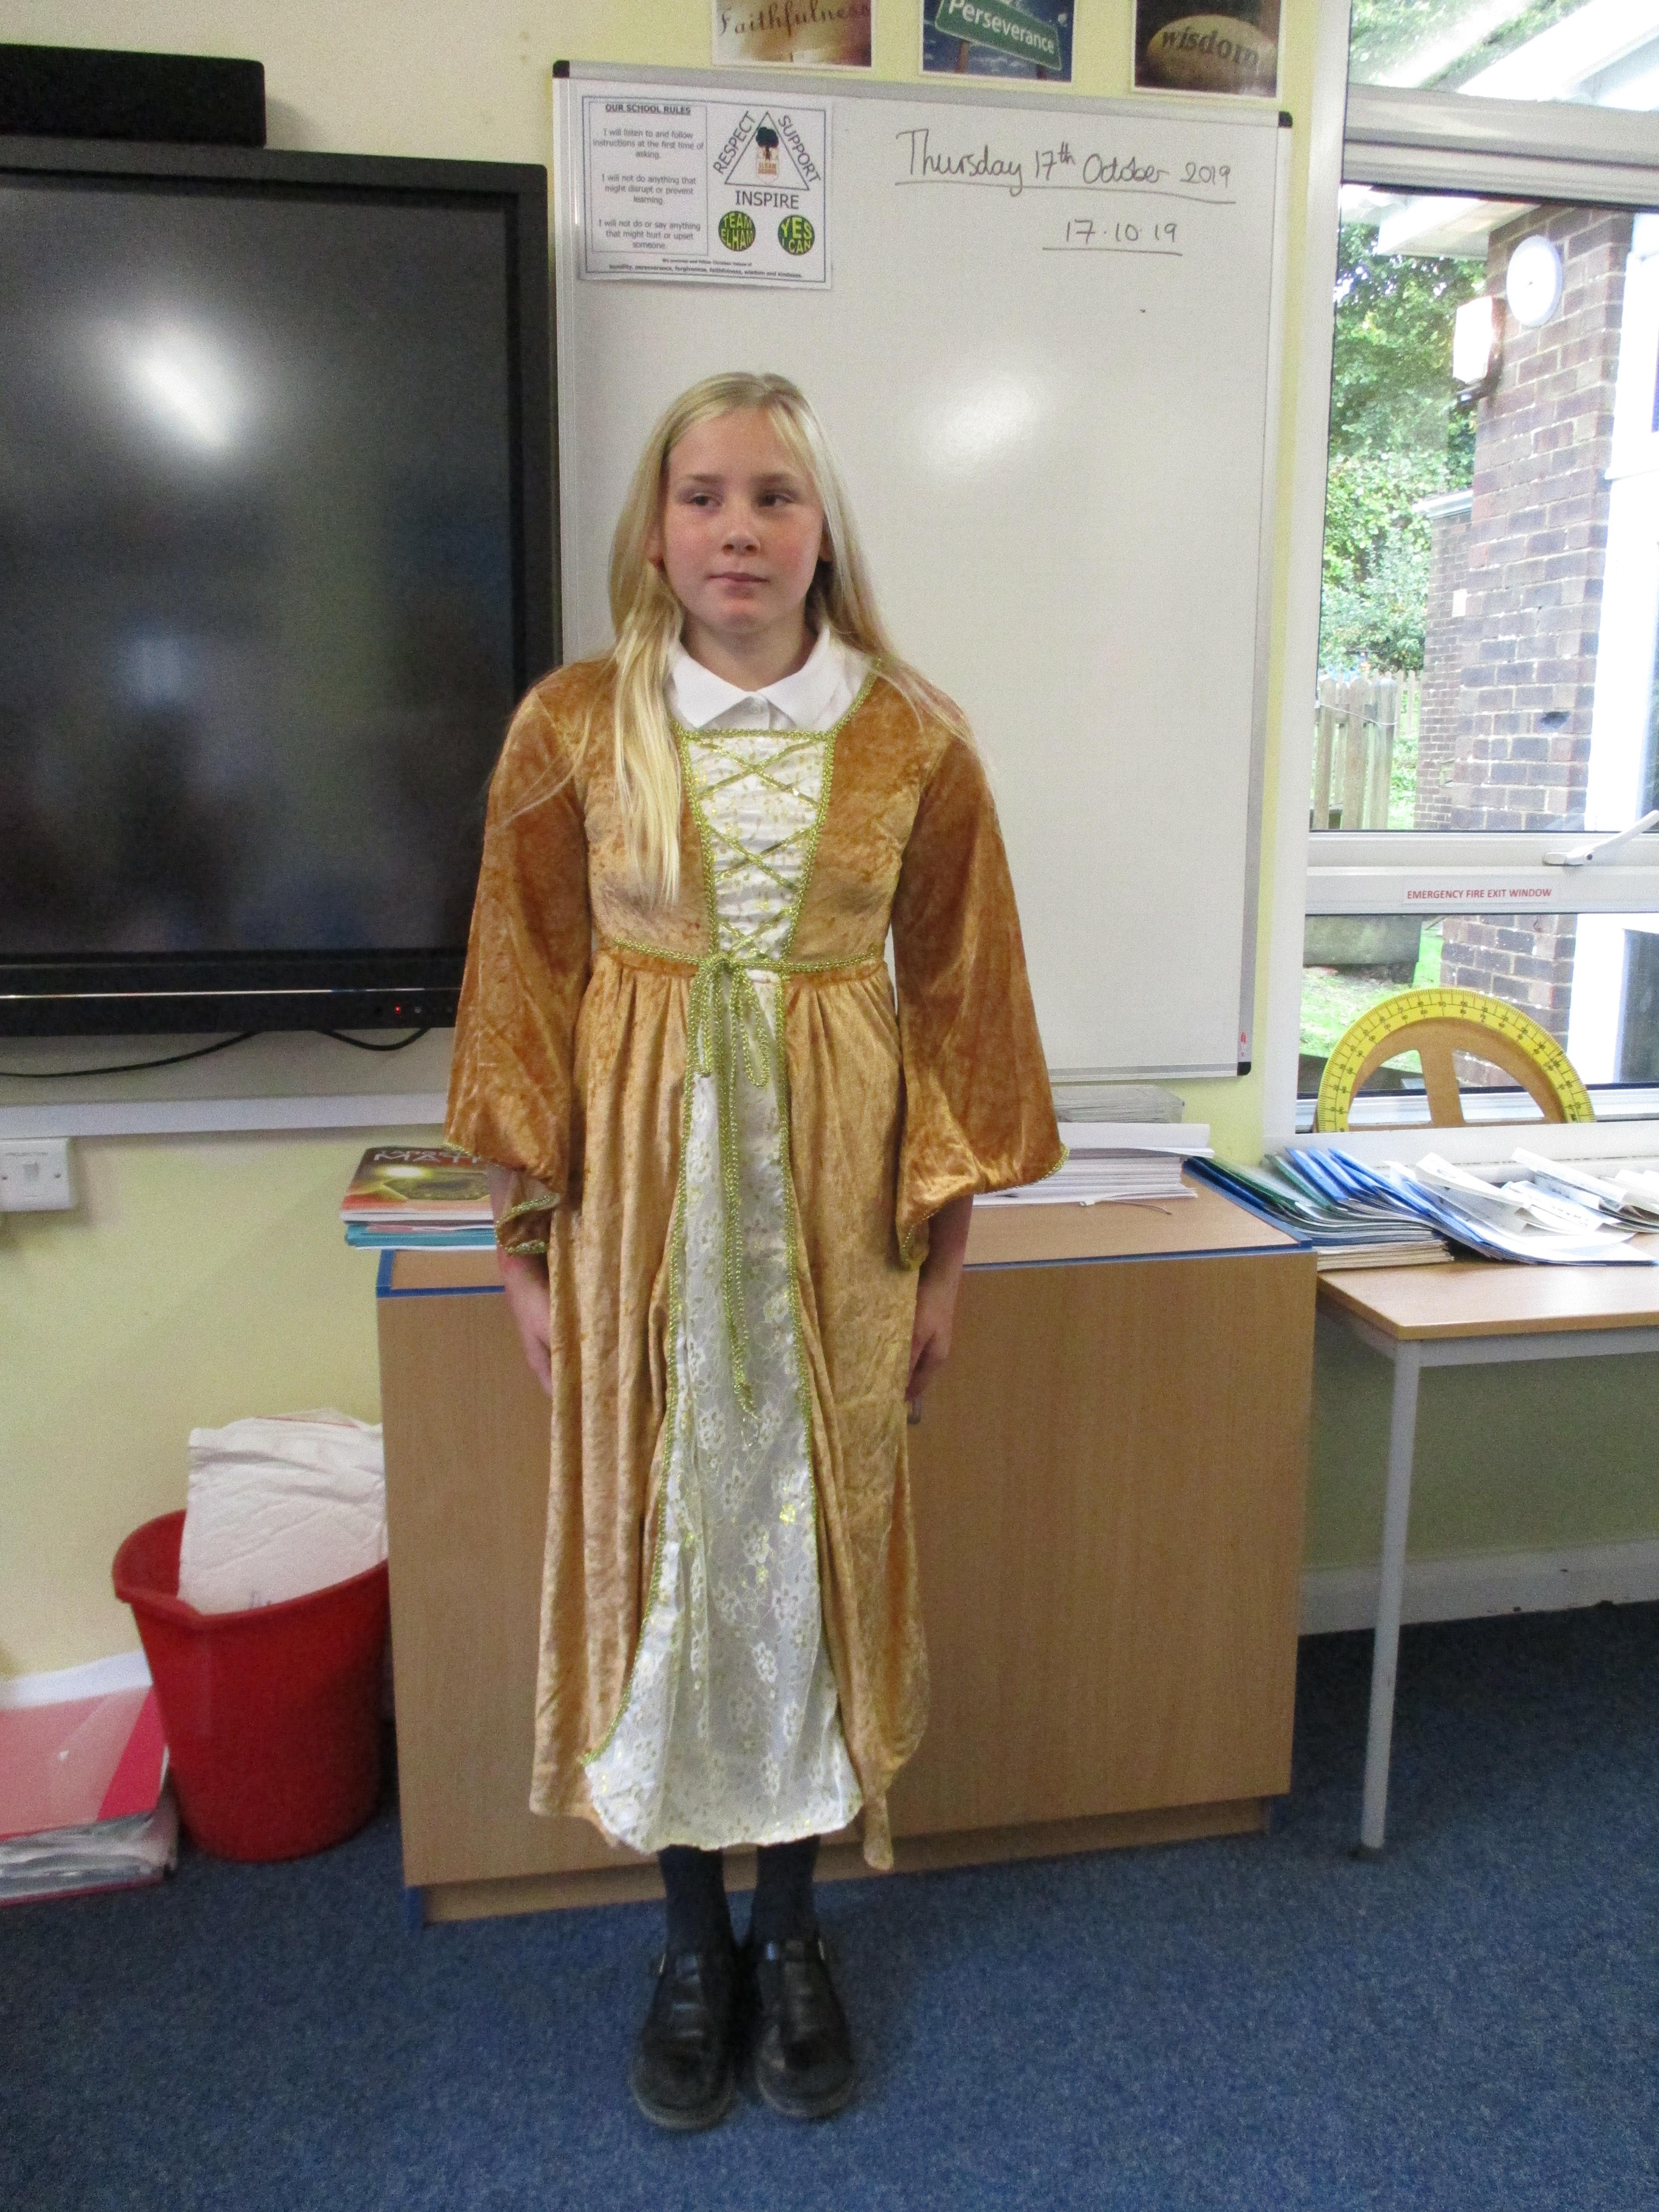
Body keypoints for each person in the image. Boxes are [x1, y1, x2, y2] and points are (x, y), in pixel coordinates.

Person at [446, 371, 1062, 2129]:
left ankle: (793, 1933)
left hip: (838, 1215)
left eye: (775, 496)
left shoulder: (912, 734)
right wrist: (522, 1245)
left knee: (806, 1552)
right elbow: (521, 987)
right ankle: (688, 1943)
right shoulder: (576, 726)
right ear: (655, 529)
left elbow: (961, 1011)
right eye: (704, 495)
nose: (738, 529)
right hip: (639, 1212)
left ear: (823, 530)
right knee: (666, 1552)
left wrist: (946, 1261)